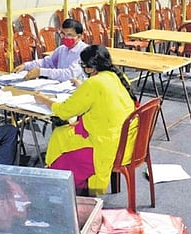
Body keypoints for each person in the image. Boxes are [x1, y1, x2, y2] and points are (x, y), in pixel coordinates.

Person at [34, 45, 138, 196]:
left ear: (89, 68)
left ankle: (62, 185)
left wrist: (44, 100)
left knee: (59, 136)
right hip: (126, 141)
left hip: (105, 146)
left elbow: (64, 111)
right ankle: (78, 185)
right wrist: (82, 86)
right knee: (65, 134)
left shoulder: (93, 83)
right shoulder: (118, 77)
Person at [13, 19, 88, 82]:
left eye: (69, 35)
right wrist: (26, 65)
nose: (65, 37)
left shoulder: (85, 51)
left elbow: (70, 74)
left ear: (79, 36)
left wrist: (41, 72)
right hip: (61, 88)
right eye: (63, 34)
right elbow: (47, 62)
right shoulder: (62, 49)